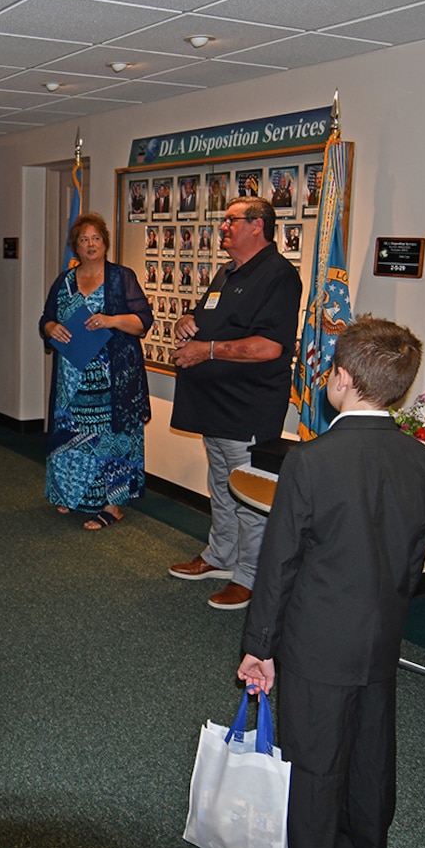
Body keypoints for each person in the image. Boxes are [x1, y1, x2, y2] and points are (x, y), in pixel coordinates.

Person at [234, 316, 425, 848]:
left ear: (341, 379)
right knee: (371, 746)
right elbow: (410, 556)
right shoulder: (420, 458)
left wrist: (259, 647)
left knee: (313, 759)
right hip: (380, 631)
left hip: (316, 637)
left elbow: (279, 566)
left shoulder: (311, 462)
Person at [167, 197, 303, 609]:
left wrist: (205, 351)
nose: (222, 227)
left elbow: (268, 347)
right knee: (222, 486)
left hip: (248, 405)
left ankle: (249, 577)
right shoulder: (228, 271)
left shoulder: (279, 276)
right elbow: (212, 317)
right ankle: (220, 556)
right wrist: (184, 321)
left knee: (249, 492)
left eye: (231, 220)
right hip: (213, 402)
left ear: (258, 225)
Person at [39, 213, 153, 529]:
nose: (90, 244)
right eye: (84, 239)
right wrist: (51, 328)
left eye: (96, 238)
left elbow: (143, 321)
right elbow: (45, 319)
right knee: (72, 437)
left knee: (110, 441)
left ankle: (112, 506)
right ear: (75, 246)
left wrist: (111, 320)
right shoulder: (63, 281)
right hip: (71, 381)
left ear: (105, 243)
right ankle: (70, 495)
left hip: (112, 379)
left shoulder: (121, 277)